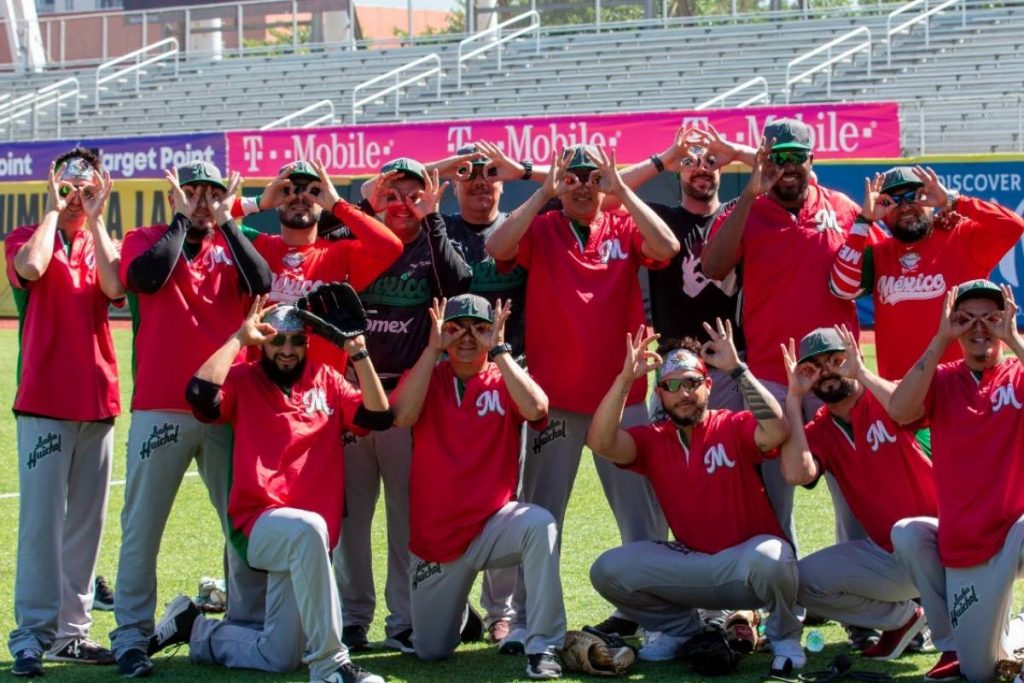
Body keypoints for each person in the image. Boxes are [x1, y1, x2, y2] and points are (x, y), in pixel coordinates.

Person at [485, 143, 680, 651]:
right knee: (541, 514)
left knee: (641, 518)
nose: (582, 185)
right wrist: (541, 193)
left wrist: (623, 195)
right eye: (572, 176)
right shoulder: (545, 226)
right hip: (555, 401)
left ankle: (653, 619)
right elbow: (498, 247)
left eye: (591, 176)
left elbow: (666, 248)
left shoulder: (621, 225)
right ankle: (530, 621)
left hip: (623, 397)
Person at [148, 298, 389, 683]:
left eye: (296, 340)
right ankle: (331, 663)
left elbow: (377, 415)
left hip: (308, 539)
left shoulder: (327, 377)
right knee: (308, 528)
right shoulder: (243, 379)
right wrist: (237, 339)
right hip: (257, 523)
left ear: (307, 342)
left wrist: (358, 352)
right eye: (278, 341)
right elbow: (198, 396)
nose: (288, 350)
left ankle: (194, 628)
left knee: (279, 656)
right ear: (263, 343)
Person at [702, 119, 880, 607]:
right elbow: (714, 266)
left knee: (859, 493)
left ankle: (864, 604)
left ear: (811, 160)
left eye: (794, 157)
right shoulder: (748, 209)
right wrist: (748, 194)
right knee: (771, 498)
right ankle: (782, 605)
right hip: (768, 378)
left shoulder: (843, 209)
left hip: (836, 379)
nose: (786, 168)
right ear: (763, 160)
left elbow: (874, 275)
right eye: (776, 158)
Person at [111, 161, 273, 677]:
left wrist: (227, 222)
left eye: (213, 192)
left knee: (242, 526)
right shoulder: (146, 238)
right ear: (176, 195)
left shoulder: (238, 241)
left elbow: (263, 282)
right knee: (142, 527)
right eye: (194, 192)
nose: (203, 201)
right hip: (161, 404)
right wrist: (181, 222)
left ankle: (249, 625)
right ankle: (131, 635)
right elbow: (144, 277)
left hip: (228, 406)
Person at [586, 320, 803, 667]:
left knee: (774, 555)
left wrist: (737, 369)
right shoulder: (653, 439)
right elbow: (601, 443)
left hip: (745, 567)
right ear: (660, 394)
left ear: (708, 385)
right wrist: (626, 380)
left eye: (692, 383)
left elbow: (776, 430)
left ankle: (785, 637)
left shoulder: (731, 424)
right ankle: (681, 630)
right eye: (673, 385)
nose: (684, 393)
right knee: (608, 569)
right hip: (692, 567)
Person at [334, 158, 473, 653]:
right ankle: (352, 618)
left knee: (405, 517)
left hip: (409, 399)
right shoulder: (352, 238)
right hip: (353, 395)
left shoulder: (431, 242)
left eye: (413, 196)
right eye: (392, 195)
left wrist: (432, 217)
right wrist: (362, 204)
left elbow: (457, 283)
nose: (403, 206)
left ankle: (405, 619)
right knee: (352, 517)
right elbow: (325, 224)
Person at [390, 294, 566, 679]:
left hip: (493, 526)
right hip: (437, 538)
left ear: (494, 331)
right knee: (431, 651)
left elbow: (537, 409)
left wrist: (500, 349)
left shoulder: (505, 376)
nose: (468, 338)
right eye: (456, 328)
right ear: (441, 329)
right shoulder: (427, 375)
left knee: (540, 524)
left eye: (480, 328)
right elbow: (402, 416)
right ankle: (462, 615)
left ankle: (545, 645)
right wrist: (433, 347)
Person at [5, 149, 122, 676]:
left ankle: (71, 633)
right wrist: (54, 211)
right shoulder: (26, 238)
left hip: (97, 401)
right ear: (53, 184)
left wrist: (96, 220)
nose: (78, 194)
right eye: (69, 185)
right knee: (41, 526)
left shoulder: (102, 243)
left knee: (85, 527)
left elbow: (116, 288)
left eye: (86, 185)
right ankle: (31, 634)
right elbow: (30, 267)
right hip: (44, 403)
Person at [889, 280, 1024, 683]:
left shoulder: (1018, 373)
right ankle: (1009, 632)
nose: (980, 327)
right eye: (967, 319)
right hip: (968, 544)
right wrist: (939, 338)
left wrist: (1014, 340)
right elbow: (898, 410)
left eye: (991, 317)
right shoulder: (944, 378)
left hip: (1017, 532)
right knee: (981, 673)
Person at [779, 325, 938, 661]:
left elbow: (907, 410)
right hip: (891, 557)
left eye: (836, 360)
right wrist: (793, 397)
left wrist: (862, 373)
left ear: (854, 356)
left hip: (948, 548)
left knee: (981, 657)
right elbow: (796, 473)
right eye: (813, 367)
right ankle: (904, 620)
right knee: (800, 580)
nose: (826, 373)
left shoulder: (889, 397)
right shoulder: (820, 428)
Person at [829, 165, 1024, 380]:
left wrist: (953, 201)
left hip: (963, 388)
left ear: (931, 199)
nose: (905, 207)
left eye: (915, 196)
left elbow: (1013, 226)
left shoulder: (962, 237)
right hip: (900, 391)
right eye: (892, 201)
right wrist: (864, 220)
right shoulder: (878, 253)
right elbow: (841, 288)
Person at [618, 123, 756, 412]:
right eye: (689, 162)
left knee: (732, 453)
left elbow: (798, 175)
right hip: (675, 363)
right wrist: (661, 160)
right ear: (677, 170)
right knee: (671, 453)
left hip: (730, 360)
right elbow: (605, 194)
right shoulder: (659, 218)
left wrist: (738, 152)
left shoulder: (739, 213)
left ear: (722, 168)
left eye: (710, 161)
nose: (701, 168)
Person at [233, 160, 404, 369]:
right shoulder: (253, 245)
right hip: (261, 391)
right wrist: (259, 202)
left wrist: (337, 205)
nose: (299, 197)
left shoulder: (341, 254)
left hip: (322, 394)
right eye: (288, 190)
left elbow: (391, 247)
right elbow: (205, 218)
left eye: (312, 191)